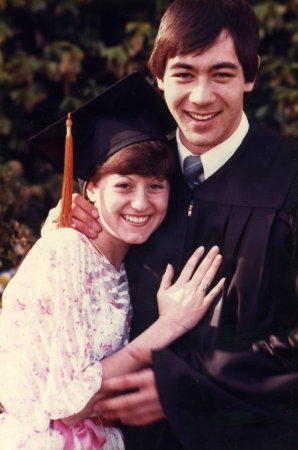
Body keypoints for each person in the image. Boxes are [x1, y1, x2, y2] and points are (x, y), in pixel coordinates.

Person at [61, 0, 298, 449]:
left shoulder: (290, 179)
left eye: (222, 74)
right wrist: (68, 239)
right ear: (159, 76)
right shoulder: (131, 180)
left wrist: (187, 391)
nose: (202, 96)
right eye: (185, 74)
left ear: (251, 75)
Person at [0, 73, 224, 449]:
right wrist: (169, 325)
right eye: (124, 185)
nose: (141, 203)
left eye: (156, 185)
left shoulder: (123, 260)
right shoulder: (67, 249)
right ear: (91, 188)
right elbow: (69, 406)